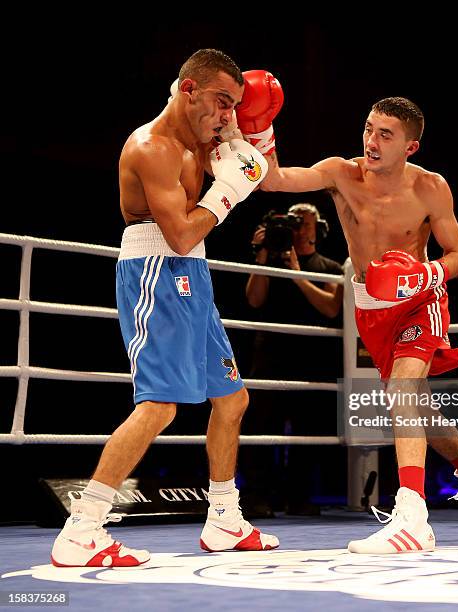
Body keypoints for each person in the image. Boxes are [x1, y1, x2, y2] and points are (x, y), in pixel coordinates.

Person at [50, 49, 280, 567]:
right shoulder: (153, 147)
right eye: (223, 102)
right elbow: (179, 234)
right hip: (157, 268)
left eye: (236, 106)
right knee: (160, 405)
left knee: (231, 398)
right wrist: (225, 193)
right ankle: (82, 529)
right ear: (188, 89)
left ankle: (223, 518)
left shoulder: (202, 142)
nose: (228, 116)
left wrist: (255, 139)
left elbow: (265, 176)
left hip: (192, 275)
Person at [257, 95, 458, 554]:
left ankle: (412, 517)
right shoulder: (341, 173)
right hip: (369, 306)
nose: (371, 141)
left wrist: (424, 273)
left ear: (410, 147)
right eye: (369, 128)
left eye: (385, 134)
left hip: (419, 300)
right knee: (417, 408)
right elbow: (273, 180)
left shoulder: (431, 188)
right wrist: (259, 131)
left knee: (401, 393)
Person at [245, 203, 343, 513]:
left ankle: (298, 496)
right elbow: (254, 299)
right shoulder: (270, 262)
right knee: (262, 427)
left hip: (311, 357)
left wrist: (298, 275)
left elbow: (331, 308)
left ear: (318, 228)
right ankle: (258, 495)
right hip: (271, 353)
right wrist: (261, 253)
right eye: (292, 223)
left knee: (307, 429)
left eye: (304, 223)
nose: (298, 228)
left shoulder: (330, 267)